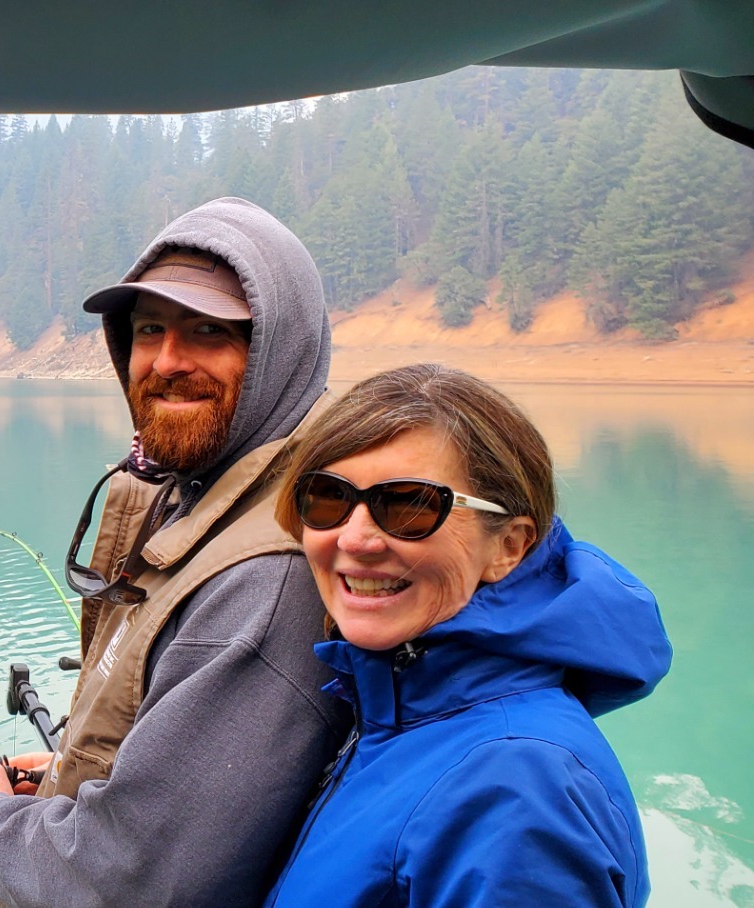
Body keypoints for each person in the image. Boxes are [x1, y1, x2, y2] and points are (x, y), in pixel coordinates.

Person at [0, 197, 350, 906]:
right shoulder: (203, 497)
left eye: (210, 332)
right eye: (148, 329)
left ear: (280, 351)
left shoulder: (267, 579)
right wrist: (72, 782)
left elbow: (138, 881)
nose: (165, 361)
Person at [263, 363, 671, 907]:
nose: (355, 539)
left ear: (509, 546)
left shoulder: (516, 791)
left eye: (409, 504)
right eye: (328, 498)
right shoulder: (398, 715)